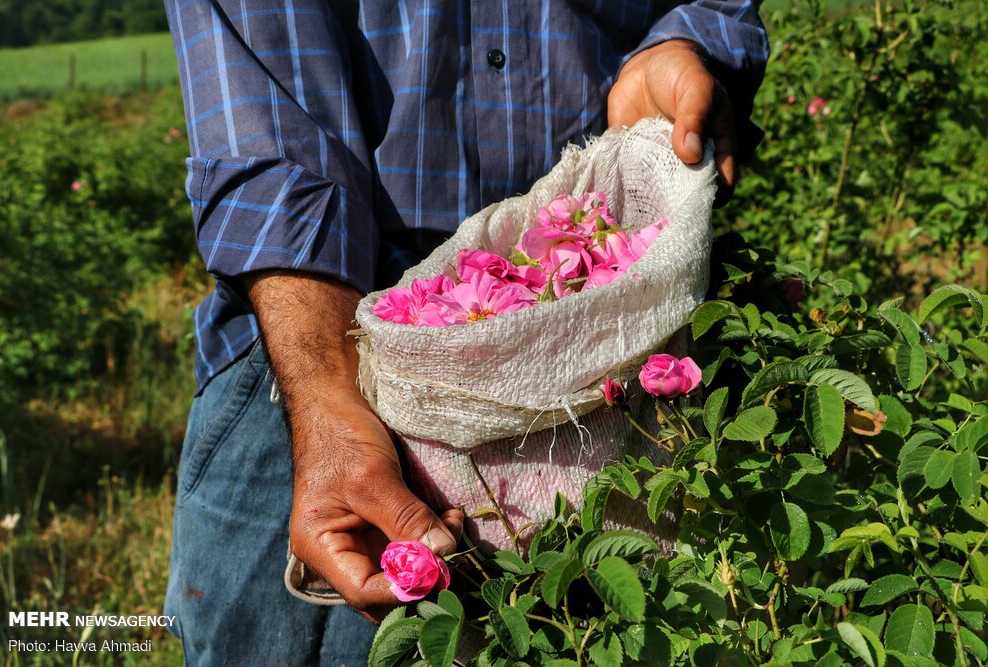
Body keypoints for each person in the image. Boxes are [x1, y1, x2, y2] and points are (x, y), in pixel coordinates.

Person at [162, 1, 768, 664]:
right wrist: (328, 394)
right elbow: (267, 122)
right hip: (310, 354)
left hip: (606, 338)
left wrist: (678, 45)